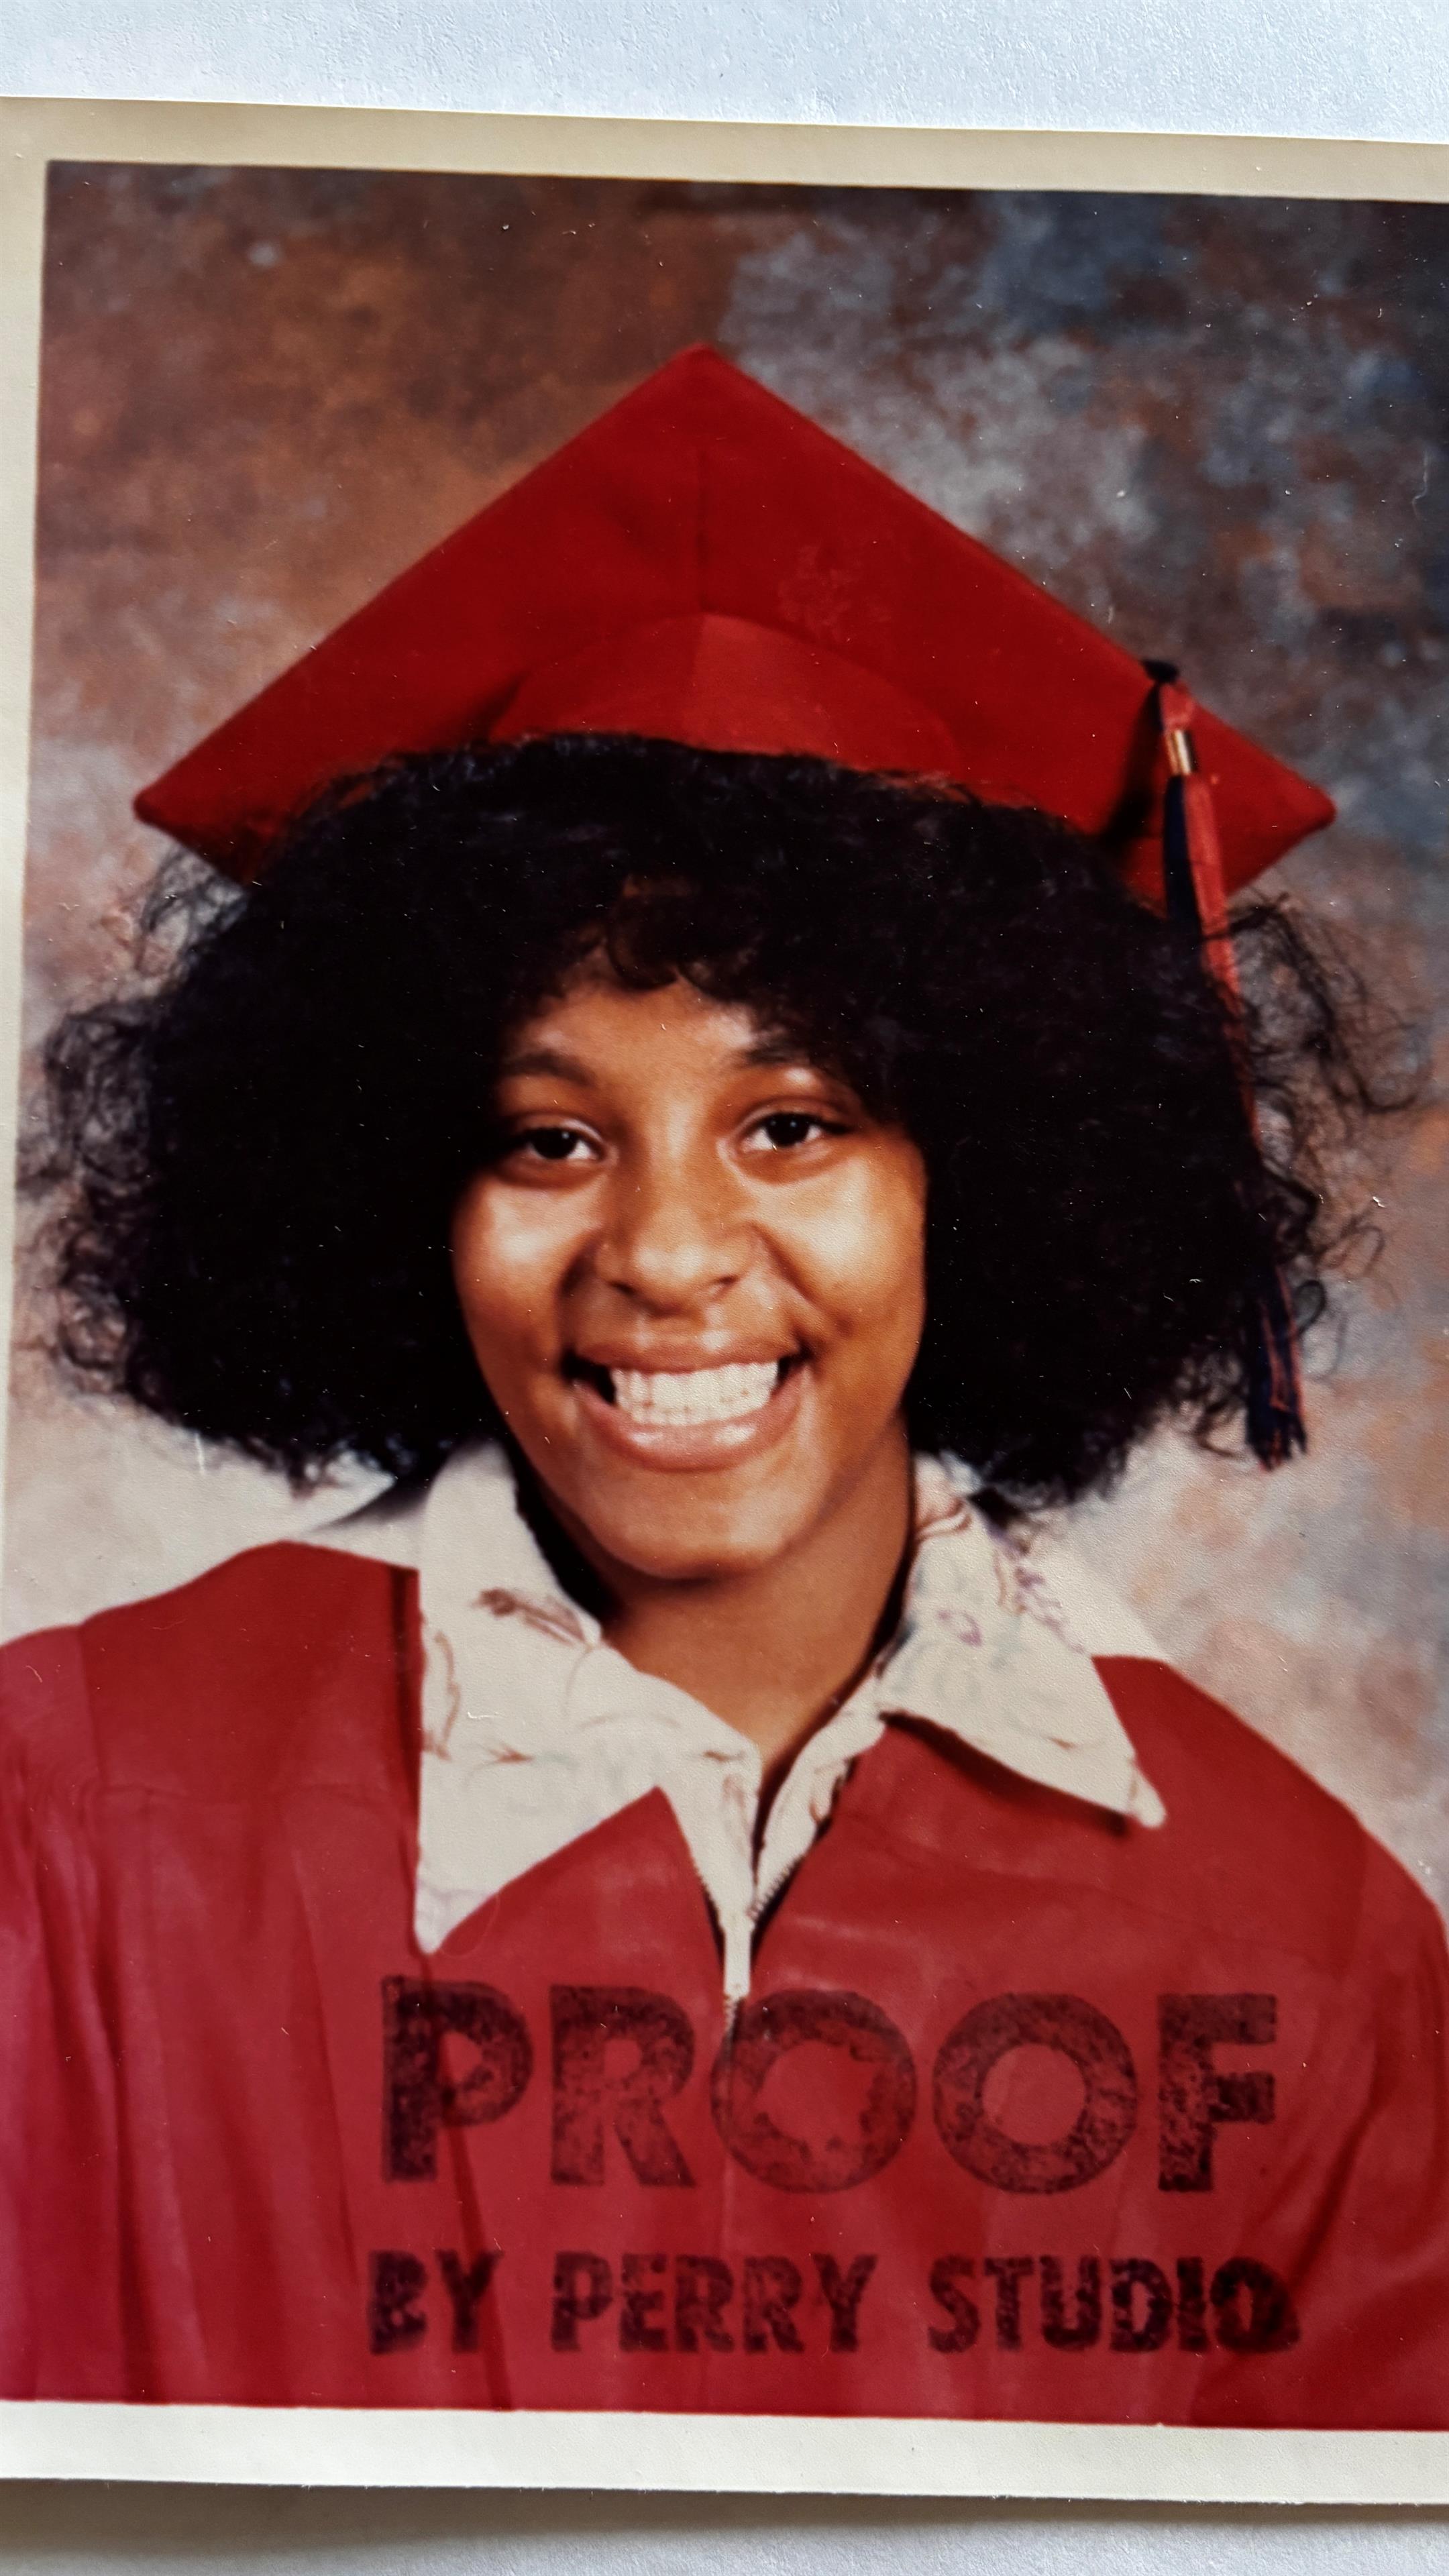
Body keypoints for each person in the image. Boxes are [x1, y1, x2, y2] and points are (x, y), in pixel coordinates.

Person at [2, 349, 1445, 2428]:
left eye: (794, 1126)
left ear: (1000, 1172)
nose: (667, 1258)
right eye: (548, 1138)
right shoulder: (68, 1821)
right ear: (400, 1184)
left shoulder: (1300, 1939)